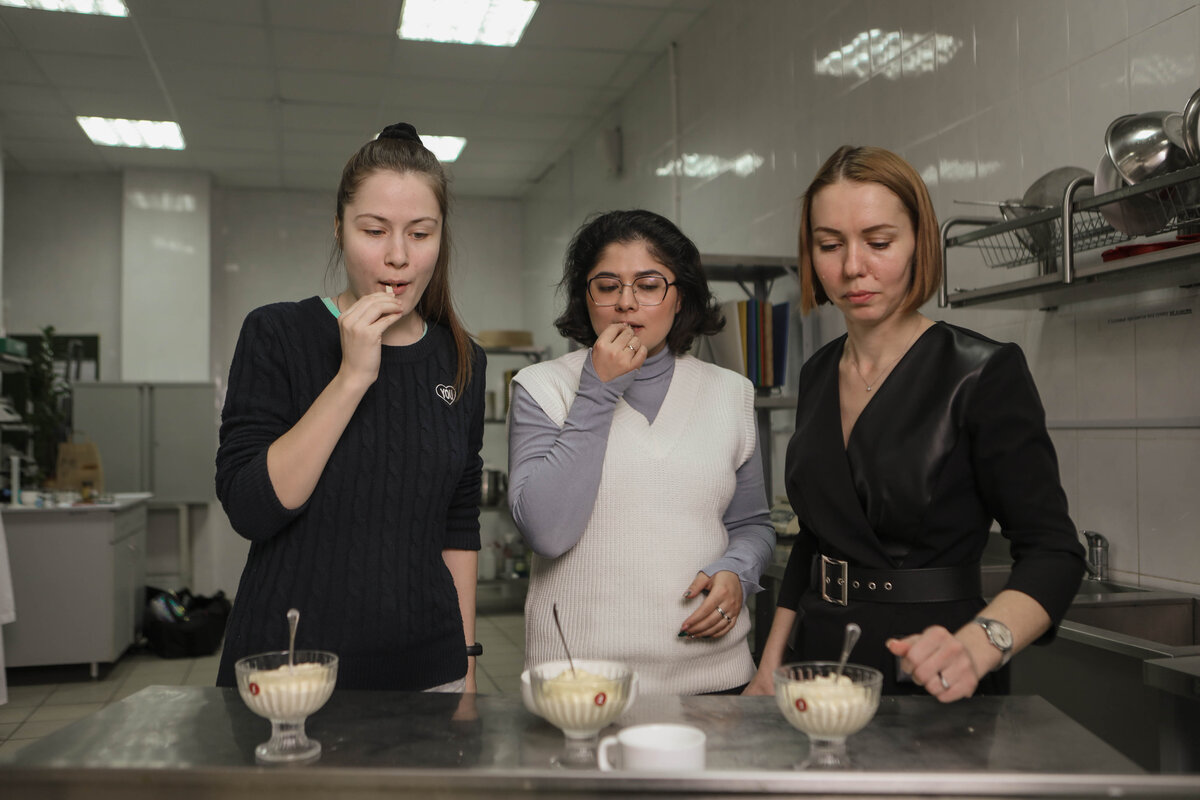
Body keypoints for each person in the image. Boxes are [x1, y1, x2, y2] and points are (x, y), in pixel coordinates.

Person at [745, 146, 1086, 701]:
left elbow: (1054, 553)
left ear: (918, 243)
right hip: (815, 664)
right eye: (830, 245)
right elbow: (817, 539)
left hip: (933, 667)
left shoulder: (981, 372)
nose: (853, 266)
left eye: (879, 243)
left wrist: (981, 644)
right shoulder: (816, 373)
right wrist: (771, 663)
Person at [214, 123, 485, 692]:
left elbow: (458, 527)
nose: (397, 256)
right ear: (339, 229)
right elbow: (252, 511)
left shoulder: (461, 359)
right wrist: (352, 377)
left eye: (420, 233)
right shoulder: (277, 333)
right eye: (374, 230)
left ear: (440, 238)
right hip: (289, 668)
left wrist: (467, 666)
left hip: (428, 670)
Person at [508, 209, 775, 695]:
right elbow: (546, 531)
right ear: (585, 299)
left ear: (680, 297)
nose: (625, 304)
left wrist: (737, 571)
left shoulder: (730, 393)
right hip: (579, 680)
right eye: (606, 286)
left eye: (648, 285)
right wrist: (597, 391)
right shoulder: (542, 387)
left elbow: (752, 525)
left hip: (713, 677)